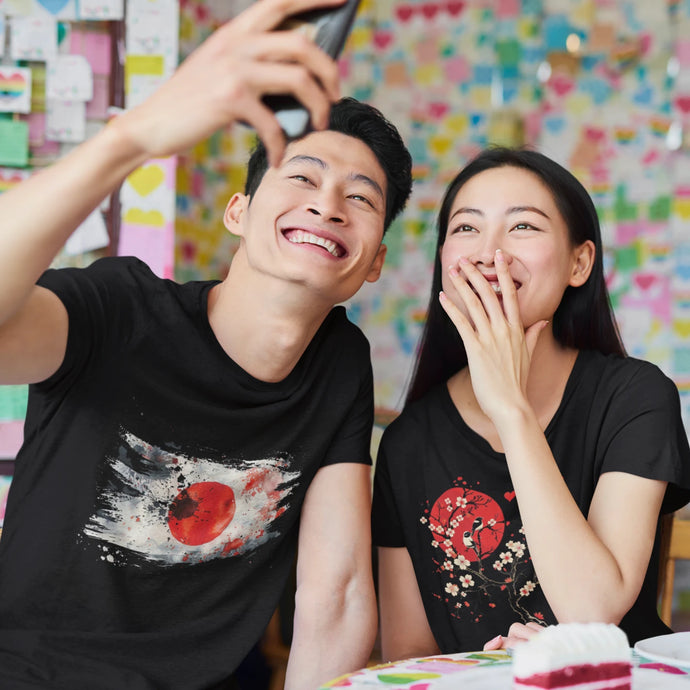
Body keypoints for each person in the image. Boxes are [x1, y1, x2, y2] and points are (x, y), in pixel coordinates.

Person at [0, 1, 413, 688]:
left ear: (371, 263)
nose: (328, 203)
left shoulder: (339, 363)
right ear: (239, 212)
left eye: (361, 198)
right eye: (302, 176)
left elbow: (334, 597)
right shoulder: (120, 308)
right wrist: (131, 140)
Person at [372, 147, 690, 660]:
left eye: (522, 227)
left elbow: (594, 608)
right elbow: (410, 655)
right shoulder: (409, 442)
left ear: (579, 263)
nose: (489, 252)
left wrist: (511, 410)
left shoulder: (635, 397)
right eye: (466, 228)